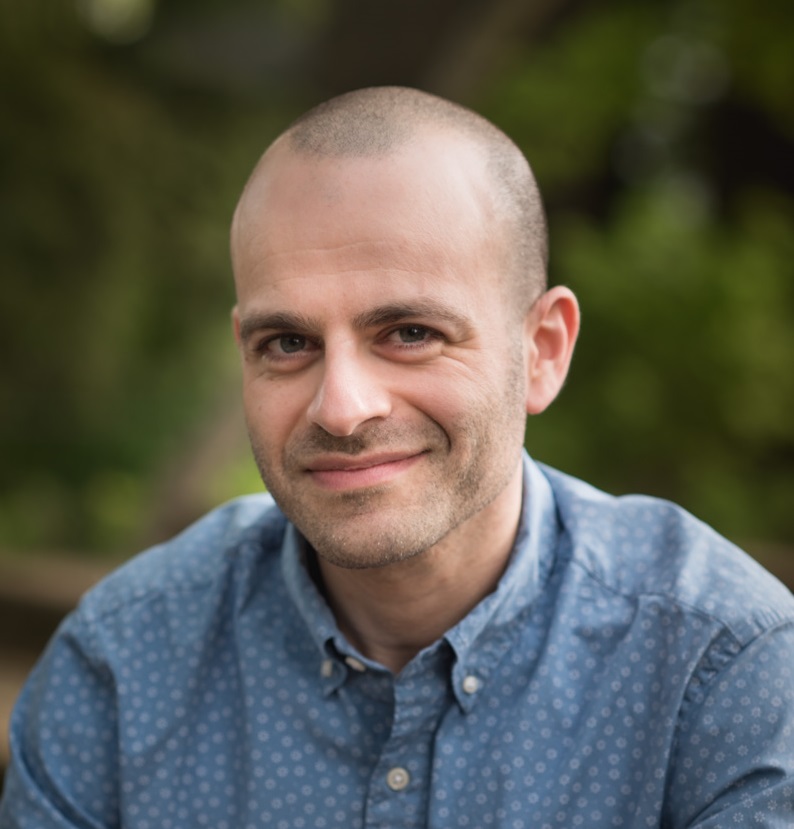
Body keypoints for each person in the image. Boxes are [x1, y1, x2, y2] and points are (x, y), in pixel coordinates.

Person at [1, 86, 792, 829]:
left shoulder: (722, 670)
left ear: (542, 351)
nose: (342, 407)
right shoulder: (121, 664)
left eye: (411, 333)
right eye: (288, 342)